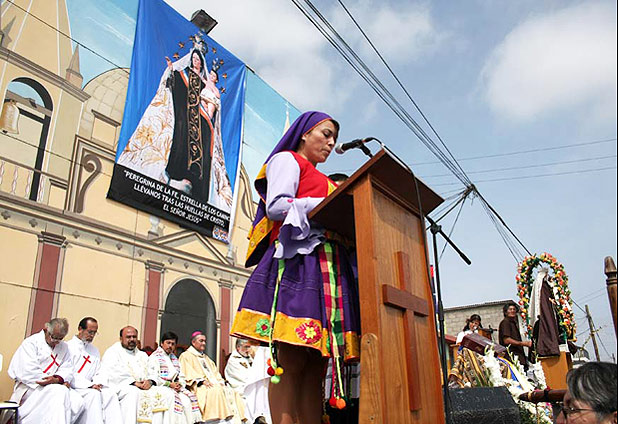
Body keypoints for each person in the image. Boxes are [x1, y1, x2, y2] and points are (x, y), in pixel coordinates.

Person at [230, 111, 361, 424]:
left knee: (316, 366)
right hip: (299, 266)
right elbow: (277, 206)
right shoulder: (288, 160)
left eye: (334, 138)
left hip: (329, 271)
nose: (330, 143)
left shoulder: (325, 180)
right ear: (304, 133)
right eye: (325, 134)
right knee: (291, 362)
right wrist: (325, 206)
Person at [117, 44, 232, 211]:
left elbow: (212, 102)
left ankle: (195, 184)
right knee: (180, 136)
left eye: (198, 59)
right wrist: (171, 70)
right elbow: (175, 84)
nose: (195, 61)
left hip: (201, 121)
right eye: (193, 58)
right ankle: (175, 175)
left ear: (201, 63)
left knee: (201, 149)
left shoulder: (205, 83)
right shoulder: (184, 74)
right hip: (183, 115)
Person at [7, 317, 84, 424]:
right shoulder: (31, 343)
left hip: (55, 384)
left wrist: (57, 379)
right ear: (46, 330)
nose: (56, 342)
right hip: (32, 387)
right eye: (54, 338)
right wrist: (49, 381)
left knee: (77, 401)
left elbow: (67, 368)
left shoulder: (64, 347)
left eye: (60, 339)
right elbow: (27, 370)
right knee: (58, 392)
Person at [100, 326, 173, 424]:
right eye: (128, 337)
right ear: (121, 338)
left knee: (166, 393)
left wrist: (150, 381)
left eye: (134, 337)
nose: (132, 339)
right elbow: (113, 373)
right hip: (123, 386)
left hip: (143, 386)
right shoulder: (113, 352)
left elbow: (153, 371)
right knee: (133, 393)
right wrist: (134, 383)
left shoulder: (142, 355)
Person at [178, 331, 246, 423]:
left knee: (231, 391)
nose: (204, 343)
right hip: (199, 387)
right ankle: (216, 420)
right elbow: (187, 373)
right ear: (193, 342)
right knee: (216, 391)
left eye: (204, 341)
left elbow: (215, 373)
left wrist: (220, 382)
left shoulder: (206, 358)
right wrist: (202, 381)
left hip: (212, 384)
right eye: (201, 341)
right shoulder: (186, 356)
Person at [67, 317, 122, 424]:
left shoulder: (94, 350)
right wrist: (89, 385)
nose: (92, 335)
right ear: (80, 329)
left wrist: (98, 382)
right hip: (75, 386)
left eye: (94, 333)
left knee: (110, 394)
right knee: (93, 395)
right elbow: (69, 372)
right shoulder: (69, 347)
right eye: (90, 332)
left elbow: (99, 371)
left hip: (91, 386)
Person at [147, 331, 202, 424]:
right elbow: (153, 376)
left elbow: (181, 375)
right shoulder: (155, 357)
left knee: (187, 401)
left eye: (173, 344)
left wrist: (179, 384)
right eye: (168, 343)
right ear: (162, 343)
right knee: (172, 399)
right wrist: (169, 384)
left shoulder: (174, 358)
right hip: (162, 387)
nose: (170, 346)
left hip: (175, 387)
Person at [498, 302, 531, 369]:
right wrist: (523, 343)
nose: (512, 311)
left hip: (519, 357)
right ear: (506, 312)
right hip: (512, 357)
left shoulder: (514, 323)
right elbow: (507, 340)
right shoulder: (505, 323)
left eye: (514, 309)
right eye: (510, 309)